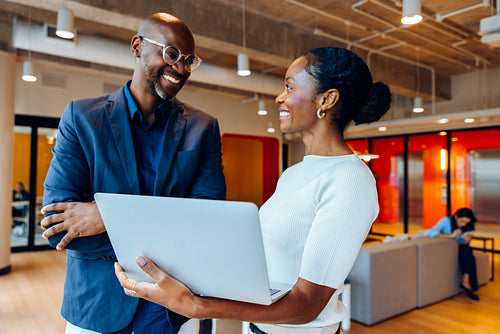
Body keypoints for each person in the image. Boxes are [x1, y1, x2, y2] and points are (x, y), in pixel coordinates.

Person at [115, 47, 391, 334]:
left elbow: (308, 304)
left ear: (327, 98)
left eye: (288, 86)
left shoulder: (349, 178)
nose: (279, 97)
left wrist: (197, 306)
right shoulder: (294, 173)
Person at [40, 12, 226, 334]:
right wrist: (167, 228)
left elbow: (206, 221)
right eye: (171, 54)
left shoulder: (203, 128)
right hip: (98, 307)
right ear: (137, 46)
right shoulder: (81, 119)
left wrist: (106, 217)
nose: (180, 69)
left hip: (172, 310)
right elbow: (58, 228)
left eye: (189, 60)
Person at [428, 208, 480, 301]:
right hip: (446, 249)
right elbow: (431, 232)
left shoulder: (466, 227)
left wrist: (467, 240)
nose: (463, 224)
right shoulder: (446, 221)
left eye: (466, 223)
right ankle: (470, 284)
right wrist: (451, 235)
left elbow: (463, 243)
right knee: (469, 254)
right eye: (462, 221)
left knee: (468, 252)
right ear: (456, 217)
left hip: (459, 248)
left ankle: (466, 281)